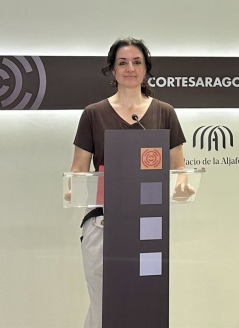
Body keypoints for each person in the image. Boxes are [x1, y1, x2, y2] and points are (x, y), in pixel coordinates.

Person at [69, 37, 193, 328]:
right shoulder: (93, 114)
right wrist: (71, 187)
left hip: (148, 226)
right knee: (103, 302)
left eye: (137, 62)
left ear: (146, 68)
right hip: (104, 223)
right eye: (122, 63)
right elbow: (78, 169)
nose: (130, 68)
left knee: (144, 303)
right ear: (112, 70)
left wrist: (182, 184)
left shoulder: (164, 112)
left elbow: (179, 167)